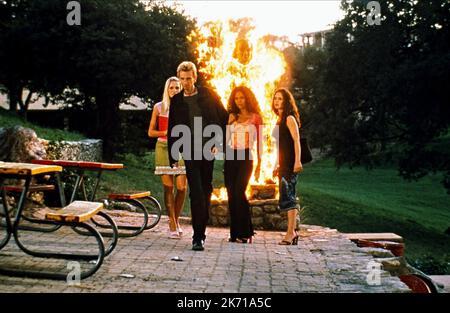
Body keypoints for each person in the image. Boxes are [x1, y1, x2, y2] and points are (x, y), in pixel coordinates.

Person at [168, 61, 228, 251]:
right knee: (196, 192)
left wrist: (218, 143)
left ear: (195, 77)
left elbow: (224, 117)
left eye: (189, 78)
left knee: (206, 188)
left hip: (207, 149)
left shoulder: (208, 94)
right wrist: (173, 154)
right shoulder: (177, 100)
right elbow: (172, 128)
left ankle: (202, 223)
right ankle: (198, 237)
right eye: (182, 79)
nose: (186, 82)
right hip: (189, 150)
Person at [148, 77, 187, 239]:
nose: (174, 91)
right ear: (167, 89)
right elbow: (150, 132)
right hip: (163, 147)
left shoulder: (186, 107)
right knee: (168, 187)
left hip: (182, 148)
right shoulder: (159, 107)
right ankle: (172, 223)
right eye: (171, 88)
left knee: (182, 187)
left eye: (177, 88)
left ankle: (176, 220)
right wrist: (165, 133)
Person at [225, 86, 262, 243]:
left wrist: (260, 164)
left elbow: (260, 142)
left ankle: (246, 232)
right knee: (232, 194)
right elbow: (225, 139)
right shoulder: (231, 116)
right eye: (236, 98)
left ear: (248, 98)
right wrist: (228, 124)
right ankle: (235, 233)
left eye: (242, 97)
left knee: (240, 191)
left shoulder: (256, 118)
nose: (239, 101)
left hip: (246, 157)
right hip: (231, 157)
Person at [271, 88, 303, 245]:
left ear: (286, 101)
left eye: (280, 99)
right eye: (275, 98)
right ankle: (292, 232)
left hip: (290, 163)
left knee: (289, 197)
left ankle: (291, 233)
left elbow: (296, 141)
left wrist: (298, 161)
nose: (277, 101)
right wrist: (276, 163)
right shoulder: (279, 119)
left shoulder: (289, 118)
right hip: (283, 163)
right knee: (286, 197)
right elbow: (279, 146)